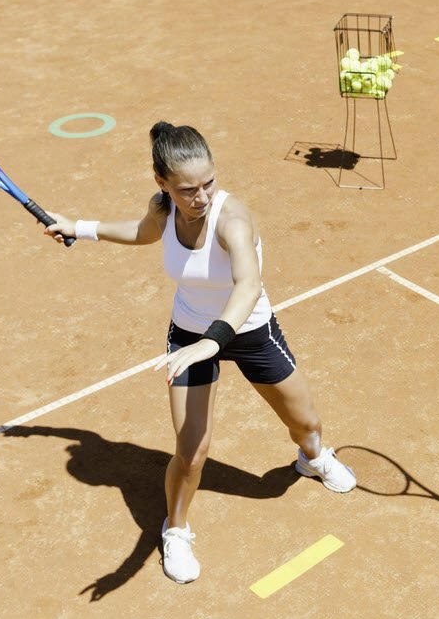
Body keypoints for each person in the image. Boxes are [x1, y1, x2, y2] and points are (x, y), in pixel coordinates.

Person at [44, 121, 356, 585]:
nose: (202, 197)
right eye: (188, 189)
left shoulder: (233, 219)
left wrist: (217, 338)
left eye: (209, 183)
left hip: (246, 330)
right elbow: (143, 231)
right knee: (191, 453)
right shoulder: (164, 209)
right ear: (162, 184)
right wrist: (80, 228)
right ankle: (175, 530)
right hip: (190, 336)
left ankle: (311, 458)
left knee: (307, 424)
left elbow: (248, 283)